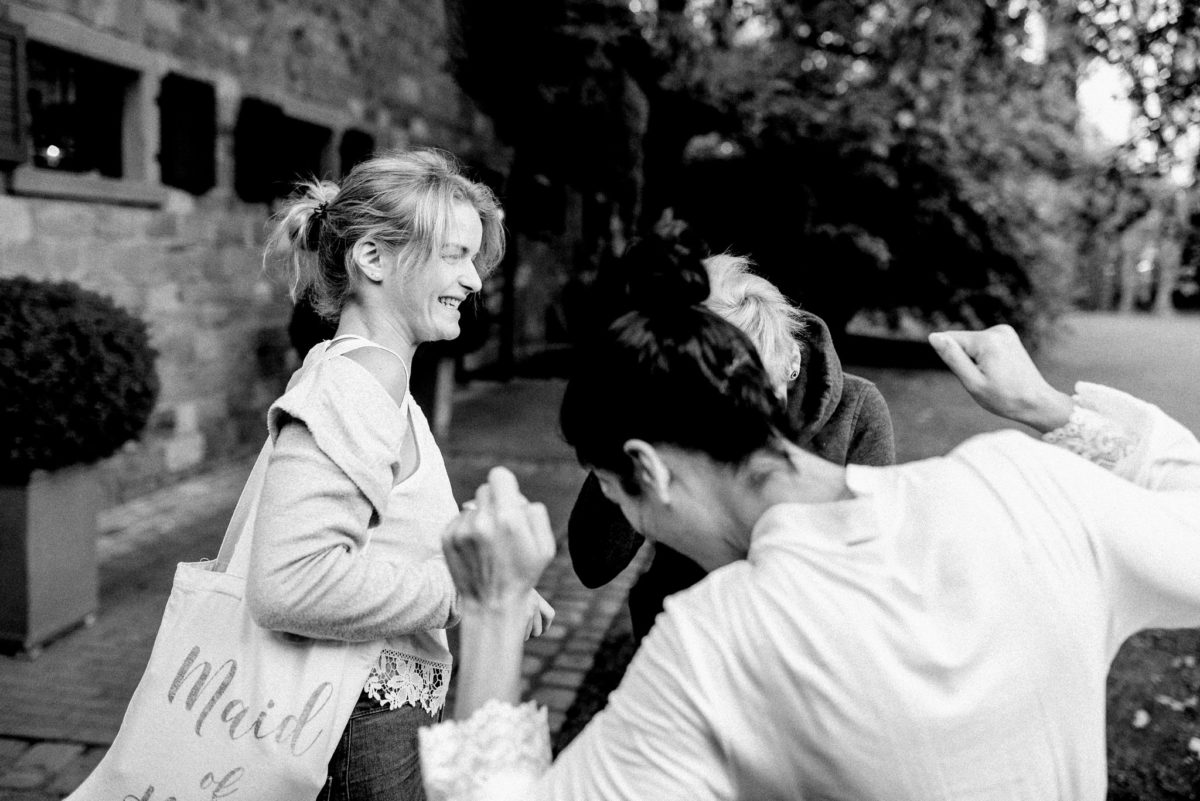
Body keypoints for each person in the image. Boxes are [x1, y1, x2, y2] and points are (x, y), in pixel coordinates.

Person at [420, 236, 1200, 800]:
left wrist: (493, 607)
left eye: (617, 492)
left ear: (649, 470)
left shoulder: (713, 644)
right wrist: (1048, 409)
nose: (628, 518)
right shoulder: (1021, 485)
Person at [252, 148, 552, 801]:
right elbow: (287, 584)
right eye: (454, 255)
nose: (474, 280)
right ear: (372, 259)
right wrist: (471, 593)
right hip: (360, 724)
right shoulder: (360, 380)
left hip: (379, 711)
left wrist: (492, 584)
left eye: (474, 258)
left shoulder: (370, 378)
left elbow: (375, 545)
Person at [568, 252, 894, 641]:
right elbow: (594, 562)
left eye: (758, 396)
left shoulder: (857, 409)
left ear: (792, 359)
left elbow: (869, 566)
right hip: (684, 629)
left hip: (798, 641)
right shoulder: (668, 402)